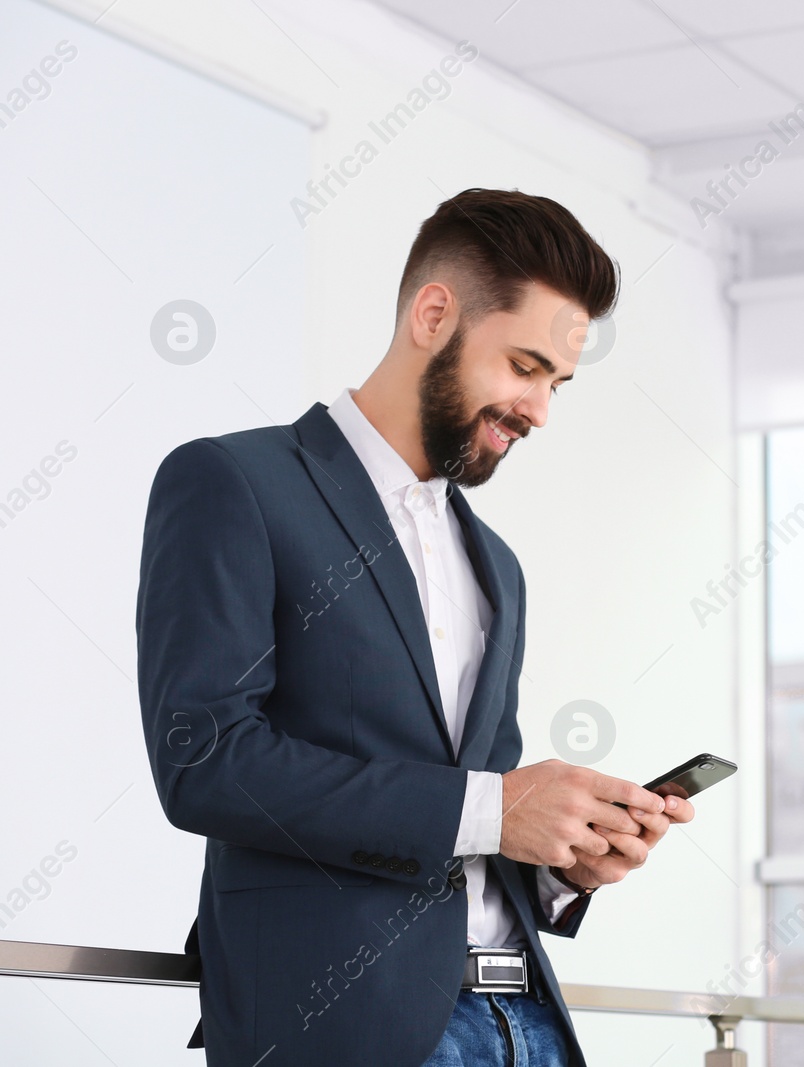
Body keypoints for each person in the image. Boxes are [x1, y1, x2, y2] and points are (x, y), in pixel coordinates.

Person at [135, 187, 691, 1066]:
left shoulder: (496, 563)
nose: (540, 409)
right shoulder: (234, 483)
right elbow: (204, 762)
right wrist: (496, 806)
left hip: (527, 1020)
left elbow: (471, 820)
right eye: (523, 365)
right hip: (347, 1026)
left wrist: (561, 863)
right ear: (434, 314)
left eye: (556, 382)